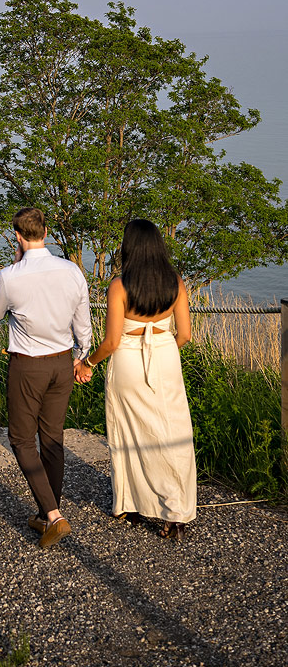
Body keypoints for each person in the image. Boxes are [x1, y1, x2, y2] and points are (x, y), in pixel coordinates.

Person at [80, 218, 196, 540]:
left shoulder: (119, 286)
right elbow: (184, 334)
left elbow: (112, 341)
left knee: (127, 432)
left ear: (128, 248)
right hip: (166, 356)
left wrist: (87, 363)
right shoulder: (176, 282)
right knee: (172, 431)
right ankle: (176, 512)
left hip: (129, 361)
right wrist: (163, 349)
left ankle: (128, 504)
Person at [0, 207, 92, 548]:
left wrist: (13, 268)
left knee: (20, 439)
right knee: (52, 438)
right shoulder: (72, 271)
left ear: (17, 236)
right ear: (45, 233)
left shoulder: (10, 276)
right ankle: (48, 512)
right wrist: (80, 356)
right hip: (62, 363)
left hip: (28, 365)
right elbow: (83, 325)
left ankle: (55, 516)